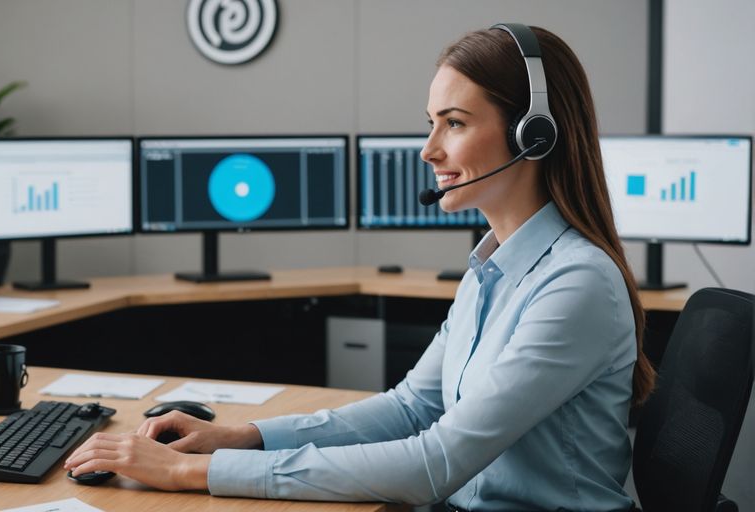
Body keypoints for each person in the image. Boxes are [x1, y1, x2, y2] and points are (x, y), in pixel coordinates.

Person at [65, 24, 655, 511]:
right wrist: (243, 436)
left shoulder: (574, 283)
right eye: (431, 123)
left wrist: (192, 472)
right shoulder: (490, 269)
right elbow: (412, 408)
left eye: (454, 122)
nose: (429, 150)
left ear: (534, 135)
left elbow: (434, 464)